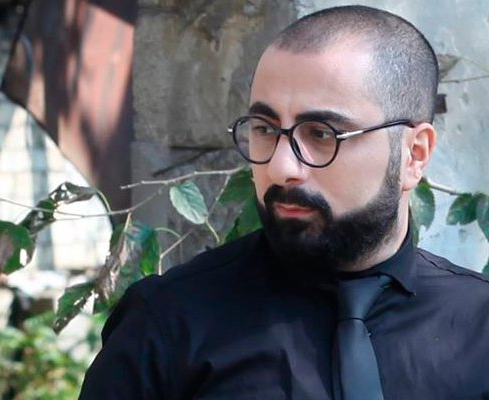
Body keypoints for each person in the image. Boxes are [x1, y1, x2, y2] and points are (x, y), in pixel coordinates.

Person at [78, 5, 489, 399]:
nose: (280, 167)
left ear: (415, 154)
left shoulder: (479, 326)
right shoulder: (166, 324)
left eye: (322, 134)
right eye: (265, 129)